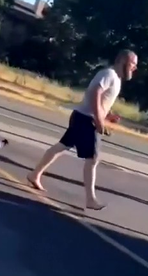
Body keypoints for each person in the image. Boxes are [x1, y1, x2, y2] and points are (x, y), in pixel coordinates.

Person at [27, 50, 138, 210]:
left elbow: (101, 100)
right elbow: (95, 93)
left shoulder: (116, 79)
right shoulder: (109, 74)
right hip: (86, 119)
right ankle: (90, 199)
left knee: (62, 146)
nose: (134, 68)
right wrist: (99, 120)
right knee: (92, 159)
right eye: (133, 64)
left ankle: (34, 174)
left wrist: (108, 115)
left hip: (82, 116)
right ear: (122, 61)